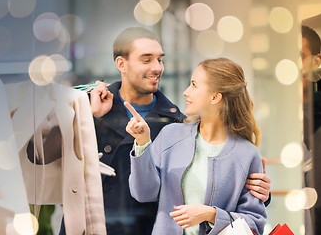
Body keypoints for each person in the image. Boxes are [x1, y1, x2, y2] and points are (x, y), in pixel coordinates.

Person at [88, 27, 270, 234]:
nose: (157, 67)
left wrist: (255, 193)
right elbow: (52, 159)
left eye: (160, 59)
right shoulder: (91, 107)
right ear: (121, 64)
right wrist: (94, 119)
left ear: (215, 97)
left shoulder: (174, 122)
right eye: (147, 60)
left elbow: (251, 217)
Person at [126, 58, 267, 235]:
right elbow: (143, 193)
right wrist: (142, 142)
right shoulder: (170, 136)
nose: (186, 92)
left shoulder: (247, 154)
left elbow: (255, 223)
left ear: (215, 97)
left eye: (194, 85)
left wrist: (212, 214)